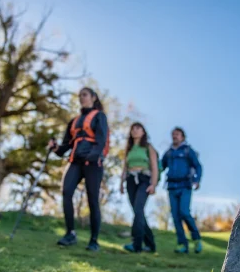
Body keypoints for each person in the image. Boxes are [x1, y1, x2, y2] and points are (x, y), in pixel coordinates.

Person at [48, 87, 109, 251]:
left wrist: (93, 156)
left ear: (93, 97)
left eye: (84, 95)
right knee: (66, 192)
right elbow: (64, 148)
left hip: (92, 162)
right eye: (79, 95)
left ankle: (94, 240)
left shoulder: (99, 116)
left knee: (92, 199)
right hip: (75, 161)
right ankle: (70, 234)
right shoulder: (74, 122)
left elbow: (101, 139)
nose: (81, 98)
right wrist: (54, 147)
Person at [162, 127, 203, 254]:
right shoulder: (168, 153)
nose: (175, 136)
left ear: (182, 137)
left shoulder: (187, 151)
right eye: (173, 134)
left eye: (177, 134)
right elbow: (160, 166)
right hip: (171, 187)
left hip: (185, 185)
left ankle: (196, 239)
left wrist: (197, 180)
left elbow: (198, 166)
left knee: (184, 212)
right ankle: (182, 244)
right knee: (175, 216)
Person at [120, 123, 158, 253]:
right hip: (130, 180)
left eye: (138, 128)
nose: (135, 131)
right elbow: (125, 167)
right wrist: (121, 183)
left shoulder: (148, 147)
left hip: (144, 179)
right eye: (133, 129)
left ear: (143, 132)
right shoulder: (129, 149)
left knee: (138, 208)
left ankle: (136, 244)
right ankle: (151, 244)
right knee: (138, 212)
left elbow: (154, 167)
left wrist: (153, 184)